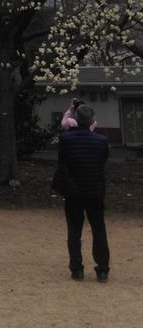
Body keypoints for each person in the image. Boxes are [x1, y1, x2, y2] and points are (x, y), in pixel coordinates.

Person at [57, 103, 110, 282]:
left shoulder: (65, 139)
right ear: (92, 121)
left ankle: (77, 269)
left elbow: (62, 161)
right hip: (95, 191)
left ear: (76, 120)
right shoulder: (101, 141)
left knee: (74, 231)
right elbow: (103, 162)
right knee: (99, 229)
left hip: (73, 192)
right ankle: (102, 269)